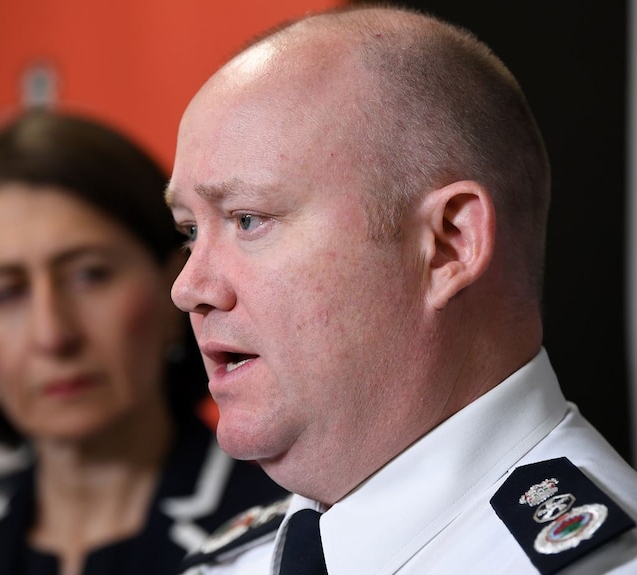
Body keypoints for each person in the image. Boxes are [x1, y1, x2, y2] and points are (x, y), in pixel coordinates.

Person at [166, 5, 637, 574]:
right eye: (190, 231)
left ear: (447, 244)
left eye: (247, 219)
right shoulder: (229, 563)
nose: (189, 288)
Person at [0, 108, 286, 575]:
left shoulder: (284, 529)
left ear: (172, 284)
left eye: (89, 275)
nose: (53, 335)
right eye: (6, 293)